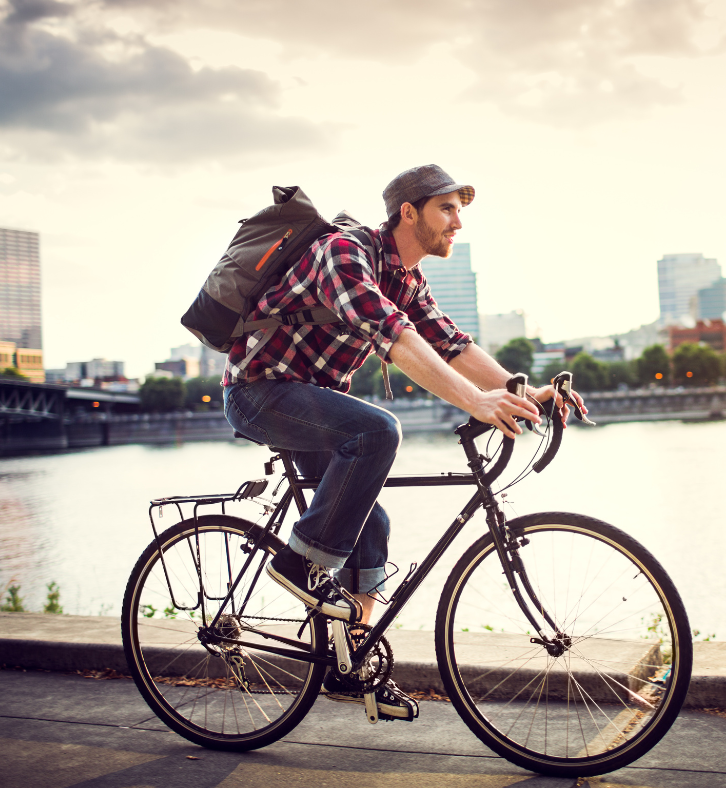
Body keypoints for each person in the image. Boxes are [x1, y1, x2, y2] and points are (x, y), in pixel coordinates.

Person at [223, 164, 584, 721]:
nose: (458, 222)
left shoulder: (408, 279)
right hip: (259, 394)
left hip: (312, 405)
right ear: (408, 213)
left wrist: (523, 392)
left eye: (460, 210)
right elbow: (394, 337)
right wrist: (475, 403)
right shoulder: (344, 253)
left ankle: (347, 668)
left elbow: (451, 344)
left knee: (372, 526)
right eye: (447, 208)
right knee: (377, 429)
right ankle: (298, 567)